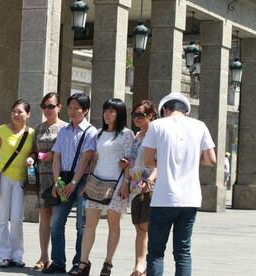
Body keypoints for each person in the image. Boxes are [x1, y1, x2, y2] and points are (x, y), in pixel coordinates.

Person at [143, 93, 216, 276]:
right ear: (186, 111)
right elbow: (211, 159)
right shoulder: (200, 126)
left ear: (165, 110)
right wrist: (189, 158)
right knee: (183, 252)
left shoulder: (157, 125)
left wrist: (166, 158)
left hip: (163, 198)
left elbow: (148, 160)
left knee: (156, 252)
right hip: (190, 198)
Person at [76, 98, 134, 276]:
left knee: (113, 224)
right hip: (97, 181)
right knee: (89, 224)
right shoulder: (99, 133)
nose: (107, 114)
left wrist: (126, 183)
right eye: (105, 111)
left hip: (116, 184)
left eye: (112, 111)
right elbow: (94, 159)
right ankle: (83, 263)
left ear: (119, 113)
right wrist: (88, 182)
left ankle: (108, 263)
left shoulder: (126, 134)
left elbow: (129, 161)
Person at [42, 93, 98, 274]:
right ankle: (58, 261)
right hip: (64, 178)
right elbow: (56, 156)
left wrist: (74, 183)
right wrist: (58, 182)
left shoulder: (90, 131)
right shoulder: (64, 130)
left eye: (77, 108)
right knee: (56, 222)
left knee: (82, 224)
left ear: (86, 110)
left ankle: (79, 263)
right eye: (70, 108)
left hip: (81, 180)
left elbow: (86, 159)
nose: (72, 112)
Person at [0, 99, 34, 268]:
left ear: (28, 114)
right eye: (13, 111)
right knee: (2, 218)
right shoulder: (1, 130)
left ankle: (17, 255)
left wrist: (31, 158)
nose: (16, 115)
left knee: (17, 218)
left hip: (21, 180)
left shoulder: (31, 133)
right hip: (3, 177)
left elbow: (34, 153)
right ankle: (4, 255)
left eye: (20, 112)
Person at [31, 93, 68, 271]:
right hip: (41, 175)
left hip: (58, 177)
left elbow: (67, 153)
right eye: (44, 106)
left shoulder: (66, 128)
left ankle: (57, 258)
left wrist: (52, 155)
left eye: (51, 106)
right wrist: (31, 159)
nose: (47, 110)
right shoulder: (38, 128)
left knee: (57, 219)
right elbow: (33, 150)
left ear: (59, 107)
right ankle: (43, 256)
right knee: (44, 217)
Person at [123, 100, 158, 276]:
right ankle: (139, 264)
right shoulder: (137, 136)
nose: (136, 118)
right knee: (139, 226)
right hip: (135, 184)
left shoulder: (156, 135)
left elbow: (158, 163)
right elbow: (131, 161)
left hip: (148, 185)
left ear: (151, 115)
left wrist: (150, 181)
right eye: (134, 115)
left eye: (141, 115)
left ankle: (145, 266)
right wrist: (125, 181)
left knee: (146, 226)